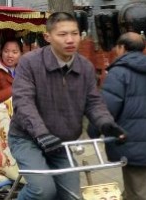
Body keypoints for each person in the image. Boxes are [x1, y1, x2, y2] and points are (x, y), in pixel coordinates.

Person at [9, 12, 126, 200]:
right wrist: (41, 133)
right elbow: (23, 102)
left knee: (72, 196)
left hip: (61, 142)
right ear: (48, 37)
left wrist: (106, 123)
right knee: (42, 190)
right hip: (27, 138)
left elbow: (93, 102)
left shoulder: (85, 67)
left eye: (75, 33)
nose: (70, 40)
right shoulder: (29, 62)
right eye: (62, 35)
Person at [88, 32, 146, 200]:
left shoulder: (118, 73)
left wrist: (94, 131)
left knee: (141, 191)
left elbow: (106, 107)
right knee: (136, 186)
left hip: (130, 140)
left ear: (122, 48)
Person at [0, 38, 22, 103]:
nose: (10, 55)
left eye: (15, 52)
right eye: (6, 51)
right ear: (1, 52)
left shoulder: (25, 70)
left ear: (21, 54)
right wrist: (15, 88)